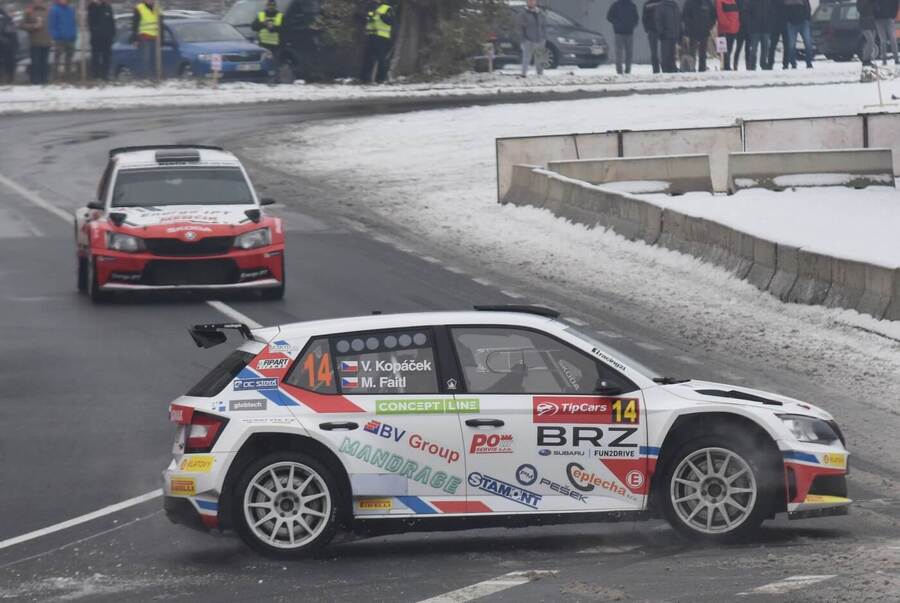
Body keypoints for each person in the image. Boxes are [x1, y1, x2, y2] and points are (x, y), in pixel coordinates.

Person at [360, 0, 393, 83]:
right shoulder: (370, 6)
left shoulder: (386, 8)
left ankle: (381, 79)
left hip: (382, 37)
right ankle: (365, 79)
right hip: (371, 36)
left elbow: (390, 21)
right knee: (367, 58)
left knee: (381, 58)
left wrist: (381, 16)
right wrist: (368, 17)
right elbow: (363, 17)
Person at [20, 0, 51, 84]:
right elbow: (21, 25)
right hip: (35, 41)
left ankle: (44, 80)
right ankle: (35, 81)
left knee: (44, 62)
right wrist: (33, 26)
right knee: (36, 63)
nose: (39, 1)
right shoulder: (29, 11)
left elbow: (53, 24)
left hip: (47, 41)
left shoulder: (48, 10)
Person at [681, 0, 716, 71]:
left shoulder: (707, 3)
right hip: (692, 32)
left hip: (705, 31)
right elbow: (684, 16)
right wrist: (691, 26)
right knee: (692, 52)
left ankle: (702, 69)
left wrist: (709, 26)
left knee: (703, 53)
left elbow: (713, 16)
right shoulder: (689, 2)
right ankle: (691, 69)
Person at [607, 0, 639, 74]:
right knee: (622, 53)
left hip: (626, 32)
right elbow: (609, 17)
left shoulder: (631, 5)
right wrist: (617, 23)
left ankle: (626, 70)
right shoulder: (617, 5)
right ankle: (620, 70)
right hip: (621, 32)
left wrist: (617, 23)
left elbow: (636, 18)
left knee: (625, 53)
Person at [49, 0, 76, 80]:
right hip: (59, 38)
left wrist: (74, 33)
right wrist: (55, 36)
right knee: (57, 57)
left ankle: (68, 76)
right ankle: (55, 76)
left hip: (70, 37)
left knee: (69, 57)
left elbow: (73, 22)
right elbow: (52, 24)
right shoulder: (54, 10)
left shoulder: (70, 9)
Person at [518, 0, 547, 76]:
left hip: (540, 38)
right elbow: (520, 28)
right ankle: (524, 74)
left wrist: (544, 37)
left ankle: (540, 73)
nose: (531, 2)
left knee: (540, 58)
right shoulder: (523, 13)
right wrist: (524, 39)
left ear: (536, 2)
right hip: (528, 39)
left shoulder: (540, 13)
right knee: (526, 57)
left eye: (533, 1)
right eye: (529, 1)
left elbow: (544, 26)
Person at [88, 0, 115, 80]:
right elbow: (91, 21)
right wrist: (96, 5)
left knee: (106, 57)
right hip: (96, 37)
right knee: (96, 56)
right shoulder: (92, 7)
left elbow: (112, 21)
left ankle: (105, 75)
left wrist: (112, 33)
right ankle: (95, 75)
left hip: (107, 37)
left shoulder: (107, 7)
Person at [783, 0, 813, 68]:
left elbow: (807, 7)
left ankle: (808, 63)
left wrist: (807, 18)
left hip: (800, 22)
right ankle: (794, 63)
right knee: (793, 45)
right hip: (793, 23)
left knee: (806, 44)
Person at [252, 0, 282, 65]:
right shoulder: (261, 14)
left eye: (273, 5)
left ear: (276, 6)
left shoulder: (280, 15)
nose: (271, 7)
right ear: (266, 5)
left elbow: (284, 28)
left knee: (274, 63)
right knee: (262, 63)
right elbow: (253, 27)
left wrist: (273, 28)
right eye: (269, 5)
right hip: (263, 44)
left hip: (275, 45)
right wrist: (264, 24)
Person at [744, 0, 773, 69]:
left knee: (765, 48)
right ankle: (752, 65)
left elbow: (771, 13)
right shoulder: (752, 2)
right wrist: (750, 27)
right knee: (753, 49)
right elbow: (748, 14)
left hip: (766, 28)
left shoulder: (768, 2)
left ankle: (763, 64)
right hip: (755, 29)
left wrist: (770, 25)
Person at [655, 0, 681, 72]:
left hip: (674, 34)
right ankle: (666, 69)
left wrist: (680, 32)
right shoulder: (661, 6)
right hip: (666, 34)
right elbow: (658, 20)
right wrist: (661, 32)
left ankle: (672, 67)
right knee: (665, 54)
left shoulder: (674, 5)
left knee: (672, 53)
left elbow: (678, 19)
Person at [716, 0, 740, 69]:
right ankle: (725, 66)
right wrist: (727, 24)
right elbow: (720, 14)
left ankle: (727, 65)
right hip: (724, 30)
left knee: (729, 48)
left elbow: (736, 14)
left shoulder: (733, 1)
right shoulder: (719, 1)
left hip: (733, 29)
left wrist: (737, 25)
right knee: (724, 49)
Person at [874, 0, 899, 67]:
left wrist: (893, 15)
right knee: (883, 41)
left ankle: (896, 60)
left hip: (888, 18)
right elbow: (873, 4)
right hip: (879, 19)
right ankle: (884, 60)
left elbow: (896, 4)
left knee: (892, 39)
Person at [764, 0, 787, 69]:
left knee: (773, 45)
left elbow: (768, 11)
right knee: (785, 45)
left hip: (775, 23)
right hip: (782, 23)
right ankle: (785, 64)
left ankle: (771, 63)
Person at [0, 2, 18, 84]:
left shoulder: (11, 20)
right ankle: (6, 79)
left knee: (11, 63)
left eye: (13, 11)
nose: (12, 13)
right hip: (5, 46)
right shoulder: (4, 20)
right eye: (11, 11)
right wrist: (5, 41)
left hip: (11, 46)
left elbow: (14, 33)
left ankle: (10, 79)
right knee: (6, 63)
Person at [642, 0, 662, 72]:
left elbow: (644, 18)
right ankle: (665, 67)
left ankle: (656, 69)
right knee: (664, 51)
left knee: (654, 52)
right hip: (662, 30)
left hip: (652, 30)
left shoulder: (647, 4)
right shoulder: (662, 2)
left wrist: (647, 29)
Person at [858, 0, 877, 67]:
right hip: (864, 22)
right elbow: (860, 9)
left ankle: (868, 59)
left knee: (872, 43)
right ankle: (865, 60)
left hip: (872, 22)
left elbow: (876, 9)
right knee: (870, 41)